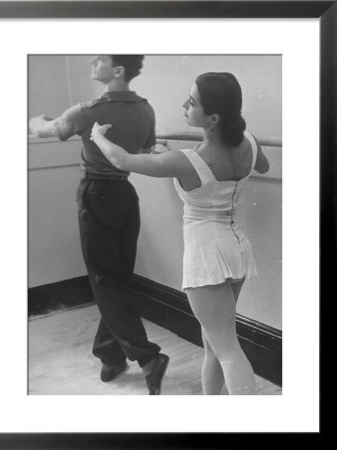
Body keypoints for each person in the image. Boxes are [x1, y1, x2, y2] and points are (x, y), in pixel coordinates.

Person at [90, 72, 270, 395]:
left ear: (213, 118)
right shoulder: (250, 144)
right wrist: (166, 156)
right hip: (235, 251)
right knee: (214, 343)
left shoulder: (185, 161)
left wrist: (97, 135)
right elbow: (264, 166)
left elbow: (121, 159)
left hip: (207, 258)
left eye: (192, 101)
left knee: (227, 348)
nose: (184, 105)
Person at [29, 55, 169, 395]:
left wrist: (34, 121)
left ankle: (148, 357)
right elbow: (147, 149)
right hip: (126, 194)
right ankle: (110, 354)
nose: (93, 61)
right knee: (117, 278)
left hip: (96, 195)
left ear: (117, 71)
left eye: (100, 59)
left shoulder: (86, 110)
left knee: (105, 279)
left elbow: (50, 129)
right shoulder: (146, 110)